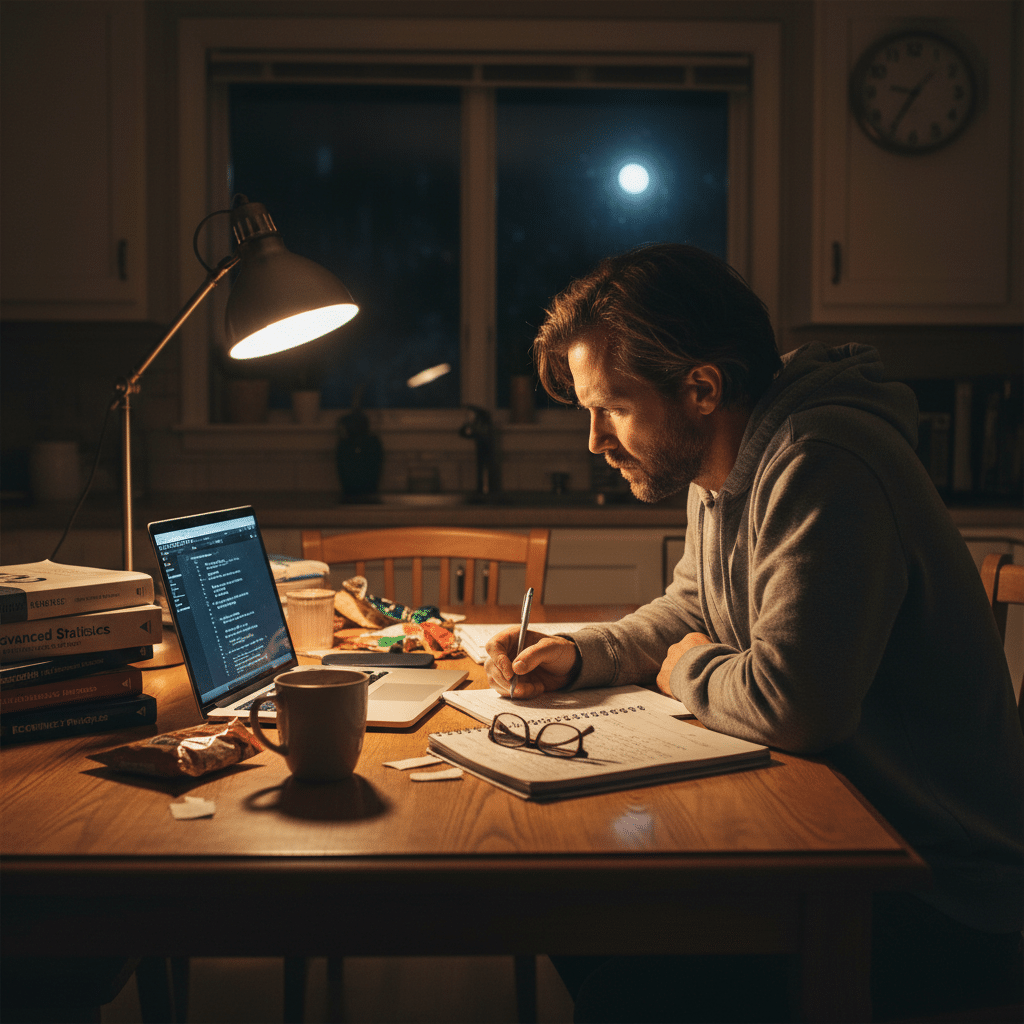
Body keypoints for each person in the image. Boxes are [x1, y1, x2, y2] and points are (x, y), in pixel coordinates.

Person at [484, 244, 1024, 1022]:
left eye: (614, 409)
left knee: (626, 984)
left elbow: (796, 705)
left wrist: (687, 671)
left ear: (701, 388)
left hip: (937, 891)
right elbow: (693, 610)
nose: (596, 442)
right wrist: (581, 654)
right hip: (841, 837)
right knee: (581, 917)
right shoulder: (722, 463)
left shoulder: (822, 459)